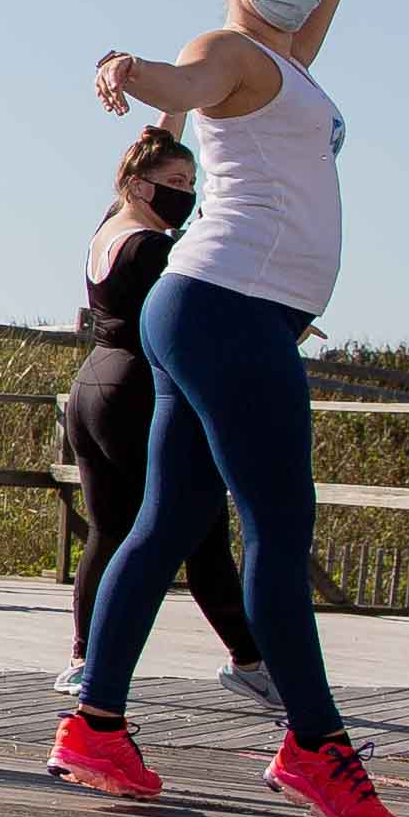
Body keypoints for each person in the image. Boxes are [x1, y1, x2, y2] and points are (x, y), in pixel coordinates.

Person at [54, 0, 409, 817]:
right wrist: (135, 70)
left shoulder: (293, 58)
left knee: (168, 520)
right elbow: (184, 82)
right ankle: (316, 746)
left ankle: (96, 725)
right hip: (226, 308)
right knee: (277, 524)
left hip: (223, 310)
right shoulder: (226, 50)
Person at [53, 123, 276, 708]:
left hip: (91, 389)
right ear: (136, 185)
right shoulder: (156, 248)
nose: (187, 192)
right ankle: (251, 660)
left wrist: (165, 99)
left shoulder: (109, 229)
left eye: (192, 181)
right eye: (174, 182)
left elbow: (155, 139)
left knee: (110, 528)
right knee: (198, 526)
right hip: (133, 393)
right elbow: (206, 308)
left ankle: (84, 659)